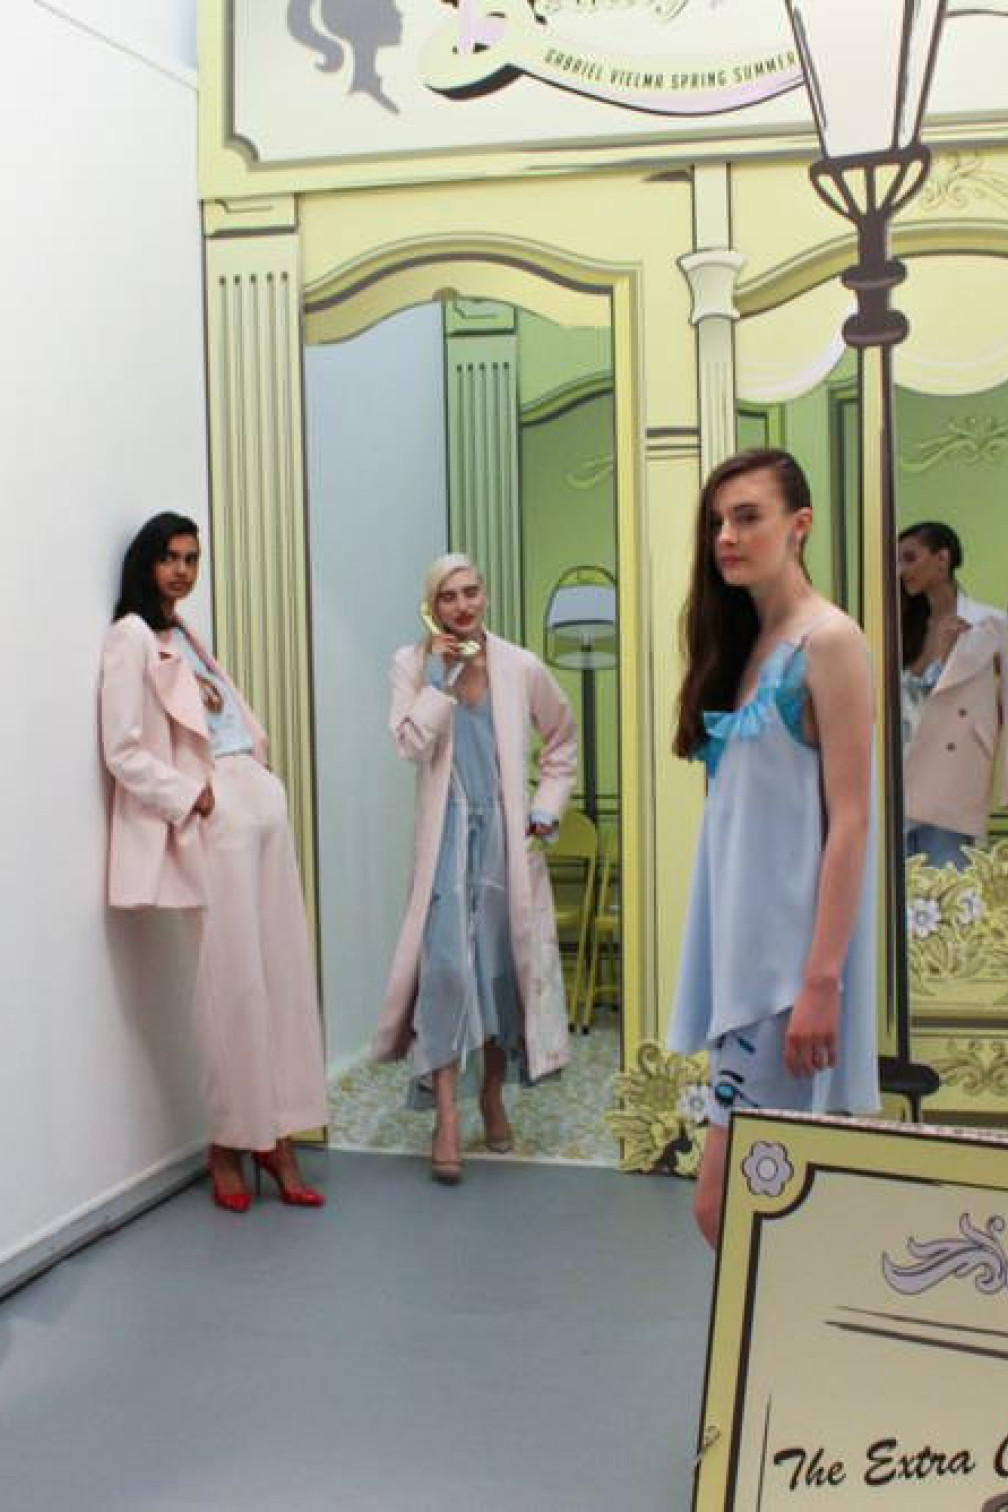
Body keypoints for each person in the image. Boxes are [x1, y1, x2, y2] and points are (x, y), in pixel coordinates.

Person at [668, 449, 879, 1248]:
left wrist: (821, 979)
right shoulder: (749, 646)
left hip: (788, 979)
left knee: (732, 1207)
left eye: (747, 516)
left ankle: (786, 1370)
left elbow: (851, 820)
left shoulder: (829, 642)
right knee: (762, 1210)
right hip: (741, 967)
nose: (727, 535)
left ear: (801, 526)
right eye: (719, 520)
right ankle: (771, 1372)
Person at [100, 514, 329, 1213]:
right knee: (232, 980)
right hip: (213, 809)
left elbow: (221, 714)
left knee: (284, 969)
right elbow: (123, 748)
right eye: (170, 557)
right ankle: (230, 1139)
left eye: (192, 558)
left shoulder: (184, 634)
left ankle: (279, 1130)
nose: (182, 570)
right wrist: (191, 796)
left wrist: (261, 773)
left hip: (256, 796)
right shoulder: (130, 638)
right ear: (146, 561)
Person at [373, 554, 577, 1183]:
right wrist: (442, 677)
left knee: (494, 975)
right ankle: (447, 1117)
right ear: (430, 607)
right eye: (448, 597)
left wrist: (543, 811)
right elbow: (408, 744)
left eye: (471, 593)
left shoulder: (520, 665)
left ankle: (490, 1093)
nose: (462, 606)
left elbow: (563, 741)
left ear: (484, 594)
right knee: (445, 975)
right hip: (446, 841)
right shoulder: (413, 664)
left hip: (504, 845)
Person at [898, 521, 1007, 870]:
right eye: (897, 562)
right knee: (900, 902)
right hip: (900, 768)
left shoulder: (992, 624)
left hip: (955, 777)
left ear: (942, 559)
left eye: (910, 558)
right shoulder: (900, 628)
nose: (901, 571)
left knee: (948, 898)